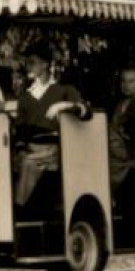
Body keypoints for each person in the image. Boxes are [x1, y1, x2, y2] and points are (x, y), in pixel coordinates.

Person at [12, 44, 88, 206]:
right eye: (27, 62)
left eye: (32, 62)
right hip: (32, 147)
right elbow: (20, 129)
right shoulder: (25, 97)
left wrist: (63, 106)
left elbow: (85, 112)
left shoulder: (63, 90)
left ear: (45, 64)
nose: (27, 66)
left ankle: (20, 207)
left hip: (56, 148)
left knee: (28, 164)